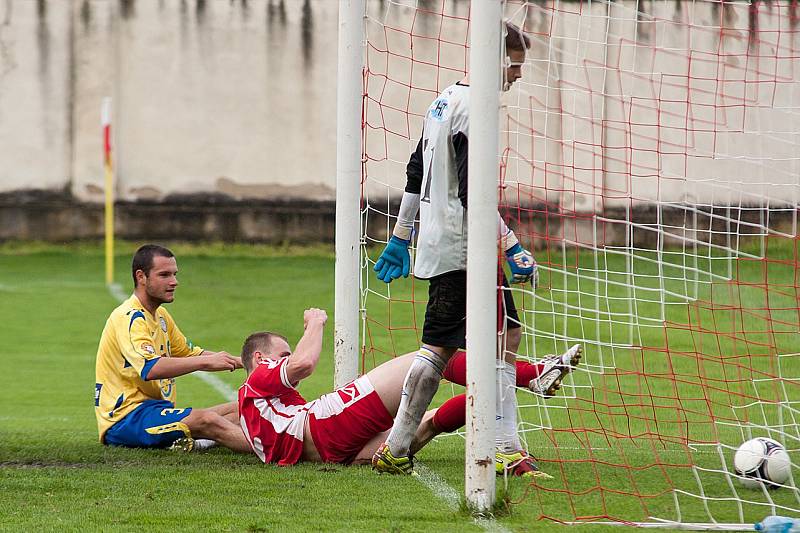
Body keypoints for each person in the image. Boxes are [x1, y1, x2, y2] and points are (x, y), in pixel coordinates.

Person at [370, 22, 548, 477]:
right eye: (514, 64)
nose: (518, 74)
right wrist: (511, 247)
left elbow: (415, 171)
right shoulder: (475, 107)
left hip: (440, 241)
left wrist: (400, 235)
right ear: (494, 59)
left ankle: (396, 447)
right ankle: (504, 449)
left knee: (453, 343)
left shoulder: (443, 99)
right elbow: (475, 195)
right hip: (466, 244)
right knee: (497, 339)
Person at [237, 307, 582, 469]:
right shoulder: (259, 376)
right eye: (279, 355)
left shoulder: (252, 406)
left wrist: (201, 428)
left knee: (430, 420)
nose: (285, 361)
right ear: (260, 357)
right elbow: (304, 363)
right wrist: (315, 321)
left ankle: (495, 399)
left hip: (333, 453)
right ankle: (532, 374)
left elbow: (215, 420)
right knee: (430, 360)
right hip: (326, 426)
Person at [94, 244, 250, 452]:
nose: (174, 282)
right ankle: (278, 450)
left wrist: (249, 362)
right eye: (164, 275)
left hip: (155, 411)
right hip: (126, 419)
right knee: (208, 419)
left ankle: (197, 442)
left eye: (174, 274)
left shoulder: (161, 317)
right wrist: (204, 361)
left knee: (244, 409)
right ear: (141, 277)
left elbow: (192, 353)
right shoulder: (130, 317)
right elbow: (151, 368)